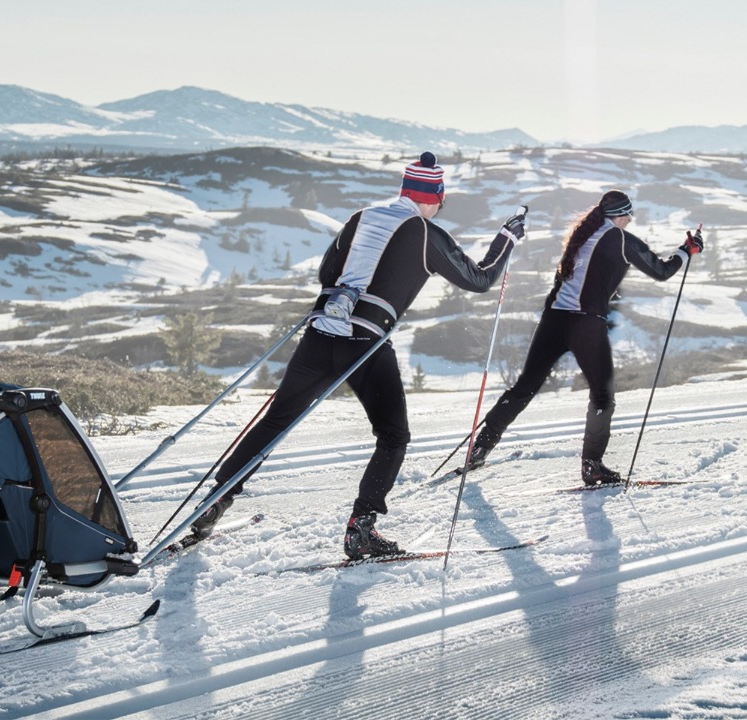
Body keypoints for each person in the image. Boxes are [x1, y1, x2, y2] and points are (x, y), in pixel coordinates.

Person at [189, 151, 525, 559]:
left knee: (276, 420)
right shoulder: (424, 233)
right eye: (441, 200)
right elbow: (479, 279)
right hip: (364, 344)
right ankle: (362, 528)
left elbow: (326, 275)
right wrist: (507, 238)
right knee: (393, 436)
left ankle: (218, 500)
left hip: (320, 335)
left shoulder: (360, 216)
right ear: (435, 197)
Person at [465, 189, 704, 486]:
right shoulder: (617, 237)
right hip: (586, 325)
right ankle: (592, 466)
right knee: (603, 396)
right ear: (621, 215)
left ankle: (480, 447)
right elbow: (661, 270)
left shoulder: (582, 235)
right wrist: (686, 250)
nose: (630, 221)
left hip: (553, 319)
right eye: (629, 215)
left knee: (524, 387)